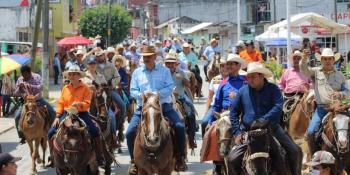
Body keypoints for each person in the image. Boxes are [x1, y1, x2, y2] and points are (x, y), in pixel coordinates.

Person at [228, 62, 302, 175]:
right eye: (248, 77)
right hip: (248, 132)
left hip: (271, 129)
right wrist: (237, 132)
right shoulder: (243, 91)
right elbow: (233, 112)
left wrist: (263, 120)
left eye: (253, 77)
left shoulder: (273, 89)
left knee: (294, 151)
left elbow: (278, 106)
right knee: (232, 159)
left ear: (261, 76)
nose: (250, 80)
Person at [126, 46, 187, 174]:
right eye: (145, 56)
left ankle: (180, 157)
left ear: (155, 57)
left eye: (149, 56)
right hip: (144, 107)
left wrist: (157, 94)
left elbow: (170, 86)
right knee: (130, 132)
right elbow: (132, 90)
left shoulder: (164, 71)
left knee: (180, 127)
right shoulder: (137, 72)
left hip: (163, 105)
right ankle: (133, 161)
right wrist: (142, 96)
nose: (146, 58)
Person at [48, 64, 105, 166]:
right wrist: (57, 116)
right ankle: (52, 157)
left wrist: (79, 104)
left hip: (82, 113)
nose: (73, 76)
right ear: (68, 76)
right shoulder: (65, 88)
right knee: (51, 132)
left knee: (94, 131)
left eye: (75, 74)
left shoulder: (86, 88)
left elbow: (87, 103)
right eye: (71, 74)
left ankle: (99, 156)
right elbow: (61, 103)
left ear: (79, 76)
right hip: (67, 113)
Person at [300, 48, 350, 155]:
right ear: (321, 60)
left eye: (330, 59)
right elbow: (304, 70)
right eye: (325, 59)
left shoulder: (340, 75)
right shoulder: (315, 72)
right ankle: (314, 158)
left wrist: (340, 94)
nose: (327, 61)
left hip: (339, 109)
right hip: (322, 109)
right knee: (311, 132)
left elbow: (347, 91)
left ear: (333, 60)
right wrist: (304, 58)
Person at [14, 66, 56, 144]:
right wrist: (19, 87)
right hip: (26, 102)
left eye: (26, 75)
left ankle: (53, 132)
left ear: (30, 72)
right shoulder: (20, 79)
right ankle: (22, 135)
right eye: (23, 75)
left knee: (52, 112)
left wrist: (30, 85)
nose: (24, 77)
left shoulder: (36, 77)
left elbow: (41, 87)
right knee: (17, 116)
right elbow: (15, 93)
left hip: (38, 101)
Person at [164, 52, 197, 148]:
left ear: (176, 64)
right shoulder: (162, 73)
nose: (170, 65)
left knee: (190, 113)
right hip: (166, 98)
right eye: (168, 63)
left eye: (172, 63)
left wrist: (182, 78)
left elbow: (188, 85)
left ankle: (191, 138)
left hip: (180, 97)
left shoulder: (182, 72)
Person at [95, 49, 126, 138]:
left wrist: (112, 84)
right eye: (97, 56)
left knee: (122, 105)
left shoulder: (111, 66)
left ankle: (120, 124)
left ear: (104, 56)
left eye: (100, 55)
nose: (99, 57)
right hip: (97, 89)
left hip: (109, 90)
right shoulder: (94, 65)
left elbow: (117, 77)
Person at [201, 59, 228, 137]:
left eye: (226, 65)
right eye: (222, 66)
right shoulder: (215, 79)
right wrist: (206, 111)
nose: (224, 68)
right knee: (204, 122)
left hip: (227, 107)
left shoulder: (232, 79)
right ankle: (205, 146)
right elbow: (210, 96)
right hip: (215, 106)